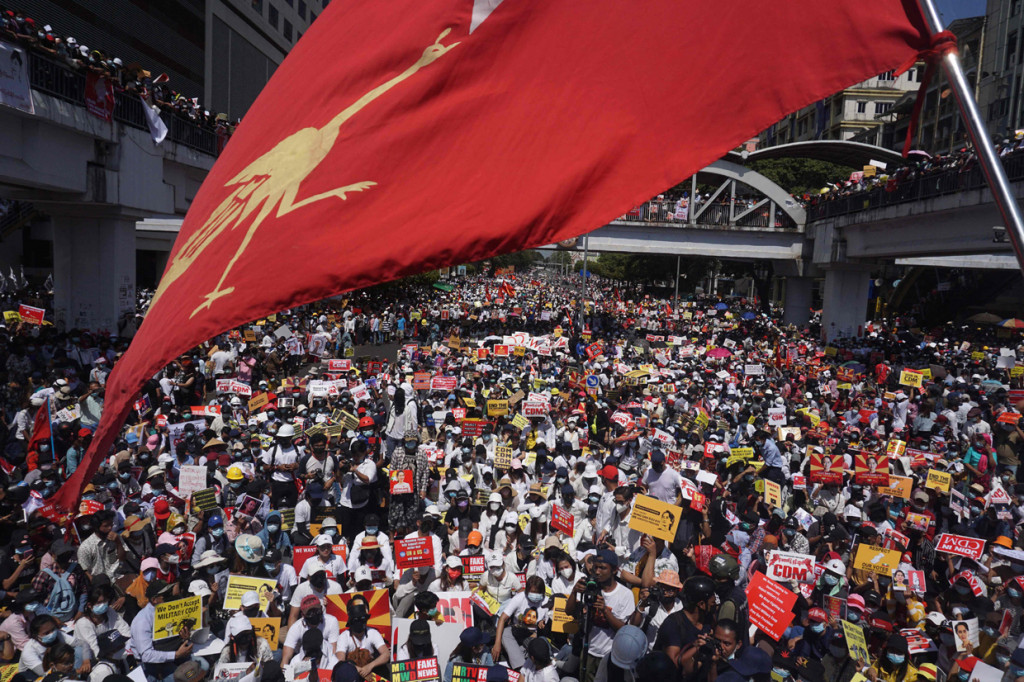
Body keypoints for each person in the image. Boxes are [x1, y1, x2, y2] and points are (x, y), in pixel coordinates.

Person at [565, 549, 635, 682]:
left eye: (603, 568)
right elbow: (569, 612)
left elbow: (624, 630)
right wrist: (574, 592)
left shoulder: (625, 594)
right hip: (588, 652)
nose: (597, 572)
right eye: (595, 567)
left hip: (610, 656)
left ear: (614, 570)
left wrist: (605, 611)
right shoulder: (590, 587)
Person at [129, 580, 193, 681]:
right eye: (165, 595)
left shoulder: (171, 610)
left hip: (171, 654)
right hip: (151, 664)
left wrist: (184, 637)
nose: (170, 596)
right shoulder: (142, 621)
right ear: (154, 600)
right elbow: (146, 655)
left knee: (203, 666)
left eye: (169, 592)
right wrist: (176, 655)